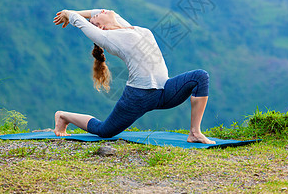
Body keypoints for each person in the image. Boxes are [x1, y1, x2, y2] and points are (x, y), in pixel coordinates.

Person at [53, 8, 215, 144]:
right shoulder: (108, 38)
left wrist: (79, 12)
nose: (101, 11)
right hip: (138, 96)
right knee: (104, 131)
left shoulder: (129, 28)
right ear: (100, 27)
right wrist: (69, 13)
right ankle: (63, 116)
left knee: (200, 77)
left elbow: (100, 12)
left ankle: (194, 132)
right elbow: (82, 23)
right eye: (96, 16)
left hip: (165, 90)